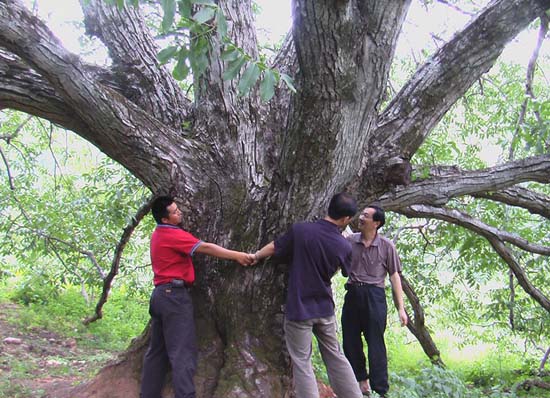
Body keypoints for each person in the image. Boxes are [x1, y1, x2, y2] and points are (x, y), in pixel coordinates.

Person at [140, 196, 254, 398]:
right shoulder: (172, 234)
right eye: (174, 212)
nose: (179, 213)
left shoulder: (158, 233)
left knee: (157, 352)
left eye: (178, 209)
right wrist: (237, 255)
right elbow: (206, 248)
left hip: (160, 295)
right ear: (165, 219)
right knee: (182, 353)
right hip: (174, 297)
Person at [252, 192, 363, 398]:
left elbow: (275, 247)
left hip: (299, 308)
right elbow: (343, 270)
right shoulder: (344, 245)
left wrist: (255, 255)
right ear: (346, 219)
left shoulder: (301, 230)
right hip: (324, 308)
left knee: (302, 362)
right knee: (336, 356)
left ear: (329, 207)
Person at [341, 205, 408, 397]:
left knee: (376, 342)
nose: (361, 217)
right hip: (353, 294)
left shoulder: (387, 246)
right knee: (350, 341)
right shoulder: (350, 241)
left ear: (376, 223)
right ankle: (361, 383)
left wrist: (401, 309)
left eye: (366, 216)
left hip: (375, 296)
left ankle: (381, 389)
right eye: (361, 214)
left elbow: (395, 277)